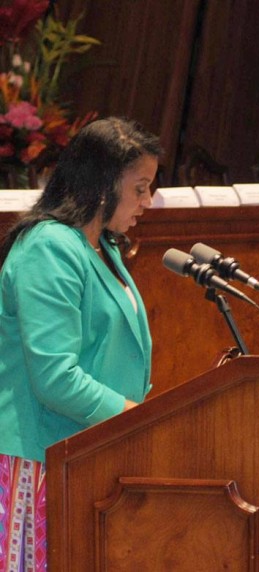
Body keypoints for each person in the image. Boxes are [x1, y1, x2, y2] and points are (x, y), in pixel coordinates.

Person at [0, 117, 161, 568]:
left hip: (87, 453)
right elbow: (55, 378)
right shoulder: (48, 247)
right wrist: (135, 418)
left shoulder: (101, 246)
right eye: (140, 187)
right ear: (104, 182)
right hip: (41, 459)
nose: (147, 202)